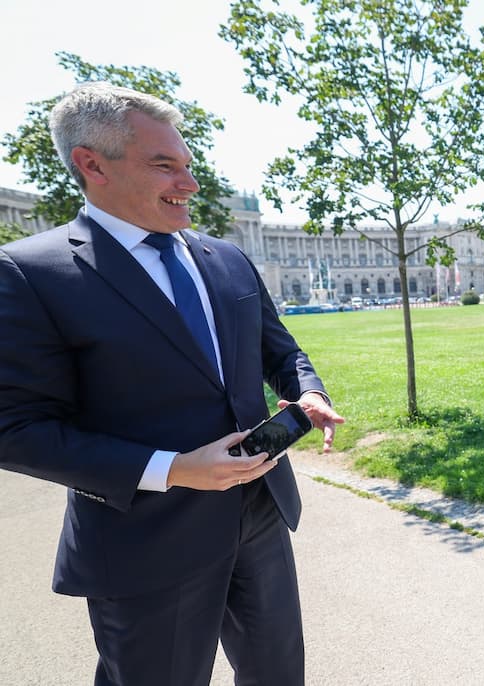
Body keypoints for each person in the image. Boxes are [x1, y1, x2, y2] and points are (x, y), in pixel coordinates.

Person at [0, 82, 345, 686]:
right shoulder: (30, 273)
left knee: (280, 674)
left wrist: (307, 390)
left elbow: (280, 350)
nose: (189, 184)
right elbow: (15, 431)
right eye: (164, 167)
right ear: (91, 164)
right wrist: (172, 468)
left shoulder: (227, 257)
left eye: (187, 166)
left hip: (258, 516)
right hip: (145, 539)